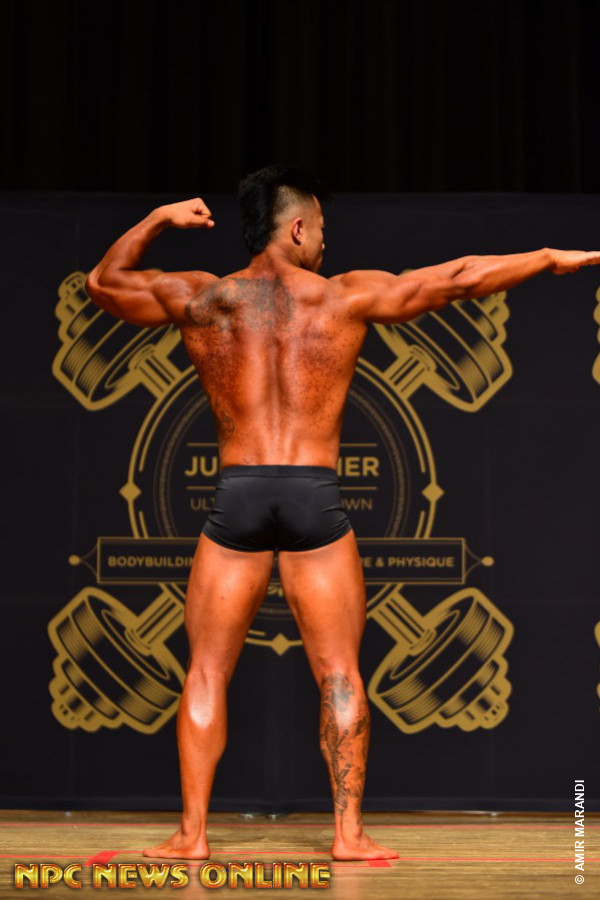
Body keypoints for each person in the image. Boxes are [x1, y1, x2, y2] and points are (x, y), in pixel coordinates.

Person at [85, 166, 600, 861]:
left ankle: (192, 835)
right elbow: (460, 276)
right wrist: (545, 258)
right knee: (338, 671)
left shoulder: (203, 298)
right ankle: (348, 835)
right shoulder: (342, 297)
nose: (326, 244)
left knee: (206, 670)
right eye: (321, 230)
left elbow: (103, 284)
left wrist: (158, 220)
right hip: (313, 496)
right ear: (297, 228)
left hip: (238, 494)